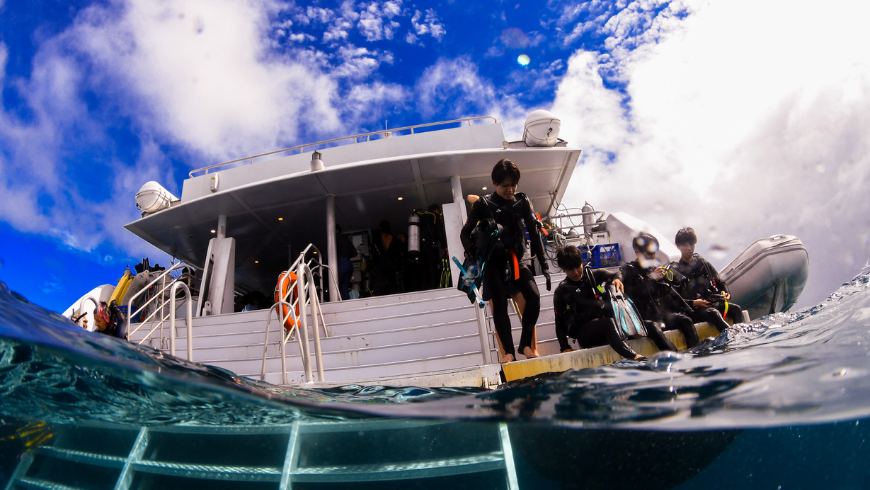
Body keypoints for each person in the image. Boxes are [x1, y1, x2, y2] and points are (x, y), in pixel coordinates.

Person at [460, 159, 551, 363]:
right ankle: (508, 353)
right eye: (505, 185)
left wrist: (544, 264)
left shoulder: (521, 201)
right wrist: (470, 252)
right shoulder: (483, 204)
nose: (510, 189)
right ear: (494, 183)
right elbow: (465, 233)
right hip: (494, 262)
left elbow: (535, 235)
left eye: (513, 185)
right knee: (499, 305)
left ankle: (526, 344)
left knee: (534, 296)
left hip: (516, 260)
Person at [554, 246, 676, 359]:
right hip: (587, 334)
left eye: (577, 266)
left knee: (651, 325)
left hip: (611, 327)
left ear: (582, 262)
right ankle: (636, 358)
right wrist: (564, 347)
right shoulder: (561, 291)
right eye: (570, 269)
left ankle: (675, 356)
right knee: (608, 323)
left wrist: (617, 279)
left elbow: (616, 274)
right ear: (564, 269)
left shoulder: (594, 276)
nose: (575, 272)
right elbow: (559, 321)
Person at [621, 233, 701, 348]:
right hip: (642, 321)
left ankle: (696, 354)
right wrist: (651, 279)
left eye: (654, 252)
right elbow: (629, 296)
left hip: (659, 316)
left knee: (686, 320)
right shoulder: (628, 271)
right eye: (649, 253)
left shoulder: (654, 269)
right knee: (654, 326)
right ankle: (674, 357)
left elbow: (667, 296)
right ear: (638, 253)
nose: (653, 256)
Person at [672, 227, 745, 331]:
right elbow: (675, 302)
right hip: (694, 310)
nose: (689, 248)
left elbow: (720, 281)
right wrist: (694, 303)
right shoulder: (676, 271)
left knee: (736, 309)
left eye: (692, 244)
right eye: (685, 245)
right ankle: (733, 337)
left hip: (711, 303)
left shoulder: (703, 263)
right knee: (713, 313)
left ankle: (741, 336)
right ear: (678, 246)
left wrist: (725, 292)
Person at [335, 225, 358, 300]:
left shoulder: (335, 239)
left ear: (337, 230)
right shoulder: (347, 239)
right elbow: (355, 253)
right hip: (348, 263)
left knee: (335, 285)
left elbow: (330, 253)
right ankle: (347, 303)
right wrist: (346, 256)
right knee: (344, 287)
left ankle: (337, 305)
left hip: (341, 263)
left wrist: (323, 265)